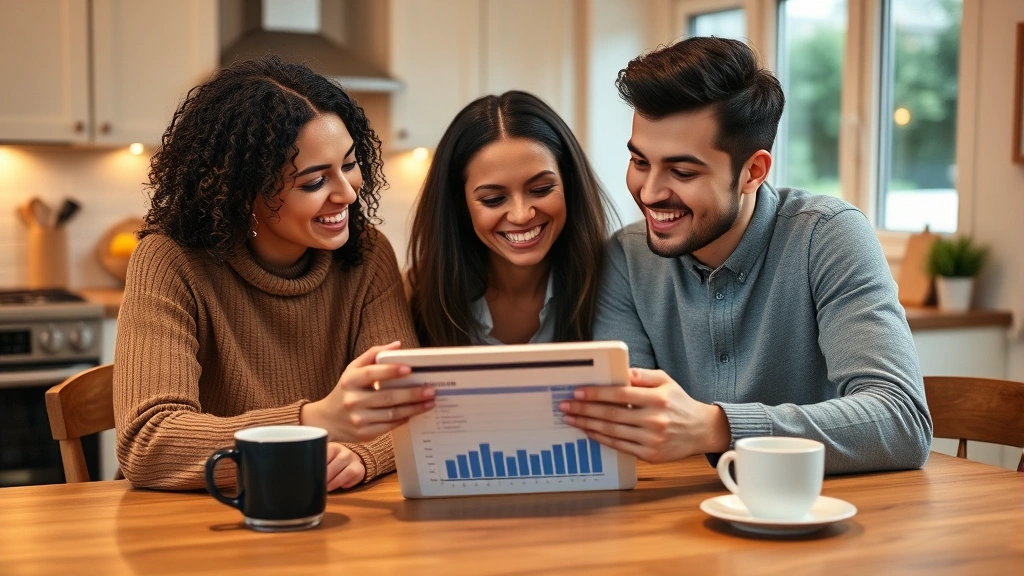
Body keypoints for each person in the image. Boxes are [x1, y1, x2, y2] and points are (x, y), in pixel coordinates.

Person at [558, 37, 933, 474]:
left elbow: (901, 420)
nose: (650, 192)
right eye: (640, 162)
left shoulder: (828, 235)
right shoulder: (626, 257)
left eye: (682, 171)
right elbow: (627, 428)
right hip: (685, 523)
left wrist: (717, 427)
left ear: (752, 172)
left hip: (825, 517)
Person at [113, 56, 435, 491]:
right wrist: (314, 422)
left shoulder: (367, 253)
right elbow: (148, 444)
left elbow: (406, 406)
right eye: (313, 182)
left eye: (350, 163)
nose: (346, 193)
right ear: (245, 190)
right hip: (201, 520)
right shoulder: (170, 261)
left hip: (321, 511)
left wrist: (360, 455)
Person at [406, 91, 615, 346]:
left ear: (569, 184)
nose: (521, 214)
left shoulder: (612, 280)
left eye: (541, 190)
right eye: (493, 199)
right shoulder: (416, 292)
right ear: (460, 205)